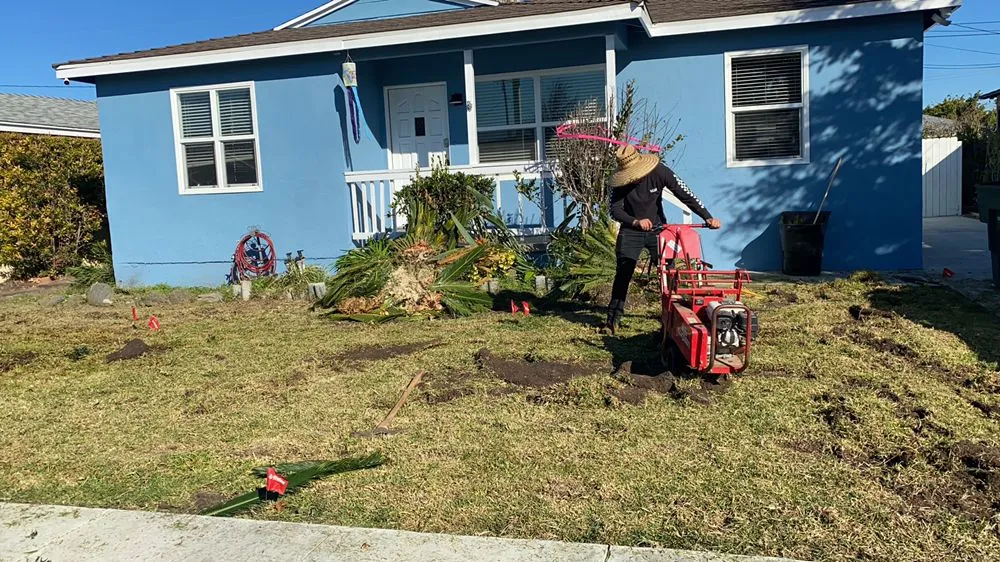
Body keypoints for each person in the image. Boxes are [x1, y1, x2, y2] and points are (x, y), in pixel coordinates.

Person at [602, 144, 720, 335]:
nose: (635, 178)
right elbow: (615, 210)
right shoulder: (620, 183)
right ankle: (611, 321)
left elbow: (686, 194)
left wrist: (707, 216)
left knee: (669, 275)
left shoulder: (660, 171)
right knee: (623, 274)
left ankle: (673, 318)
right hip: (631, 231)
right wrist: (635, 221)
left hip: (658, 229)